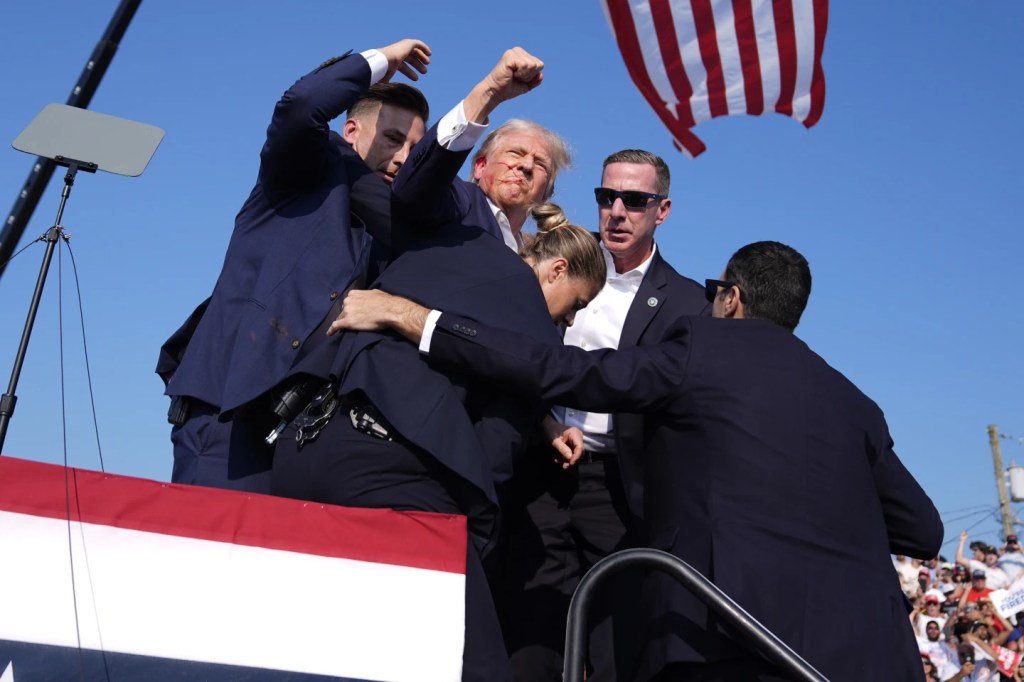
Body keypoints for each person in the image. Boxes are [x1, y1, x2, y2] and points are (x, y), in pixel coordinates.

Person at [332, 239, 944, 681]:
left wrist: (416, 318)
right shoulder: (853, 401)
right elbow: (923, 528)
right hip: (868, 655)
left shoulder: (700, 351)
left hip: (726, 641)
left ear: (730, 299)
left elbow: (561, 369)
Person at [272, 203, 604, 682]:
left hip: (302, 449)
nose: (570, 321)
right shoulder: (536, 329)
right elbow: (495, 454)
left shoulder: (455, 244)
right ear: (557, 270)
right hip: (390, 481)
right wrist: (472, 547)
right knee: (476, 663)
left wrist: (542, 422)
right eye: (577, 304)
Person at [155, 40, 431, 492]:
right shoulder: (300, 174)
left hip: (305, 438)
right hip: (229, 418)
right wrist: (380, 60)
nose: (403, 158)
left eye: (414, 149)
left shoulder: (392, 233)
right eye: (392, 139)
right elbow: (301, 105)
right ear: (351, 131)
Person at [492, 149, 708, 682]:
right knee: (529, 637)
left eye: (634, 200)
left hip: (620, 490)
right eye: (605, 196)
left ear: (663, 210)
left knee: (615, 647)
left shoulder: (688, 303)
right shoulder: (550, 259)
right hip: (538, 470)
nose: (616, 210)